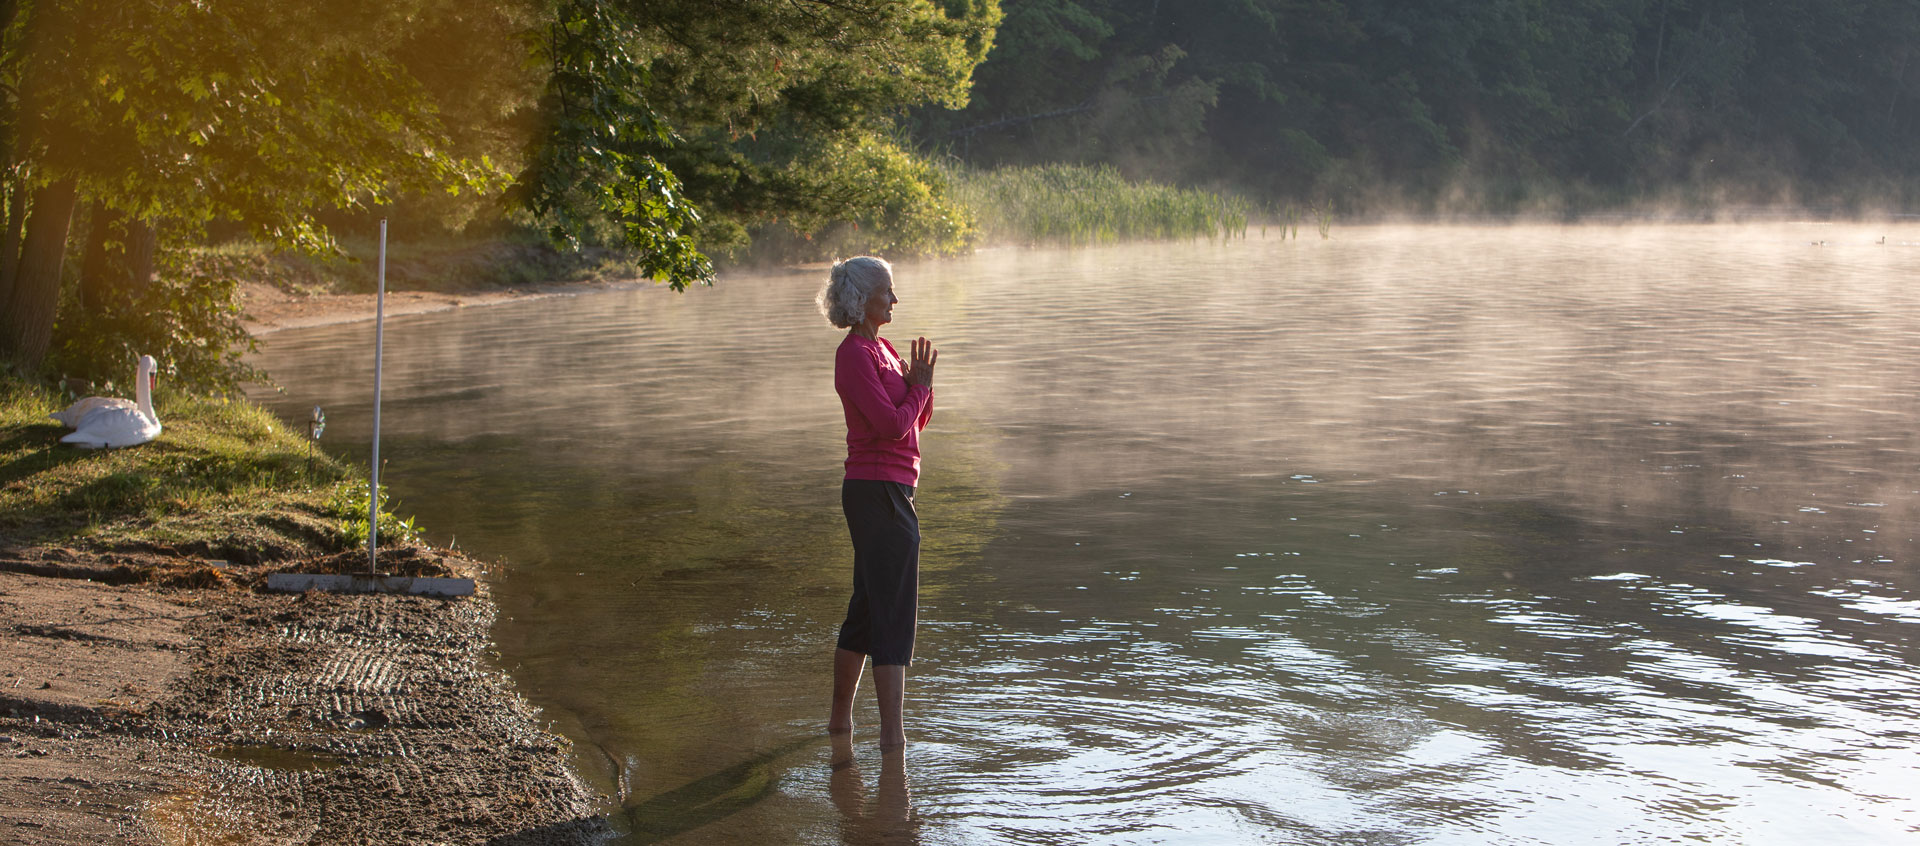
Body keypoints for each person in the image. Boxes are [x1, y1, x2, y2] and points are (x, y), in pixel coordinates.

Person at [818, 255, 937, 750]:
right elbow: (890, 426)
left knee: (868, 608)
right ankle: (894, 740)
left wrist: (920, 389)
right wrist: (919, 389)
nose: (894, 300)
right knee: (894, 611)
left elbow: (912, 426)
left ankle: (839, 726)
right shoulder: (855, 355)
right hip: (876, 490)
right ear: (861, 300)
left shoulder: (884, 349)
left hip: (892, 488)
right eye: (887, 292)